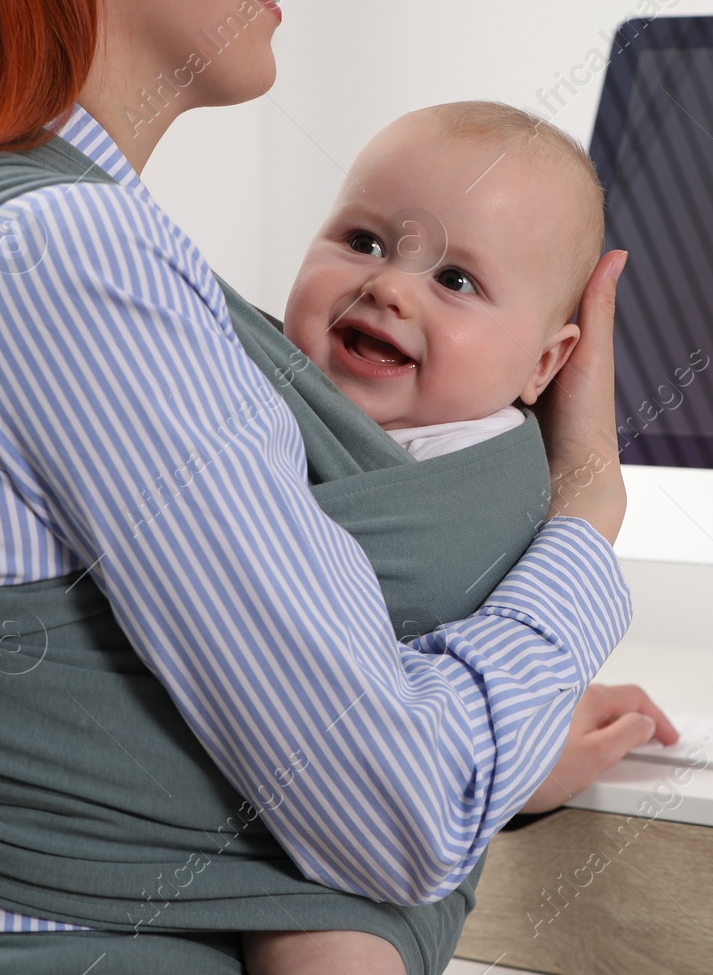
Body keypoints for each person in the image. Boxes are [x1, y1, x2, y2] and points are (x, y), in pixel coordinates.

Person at [0, 0, 674, 972]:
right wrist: (587, 513)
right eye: (361, 239)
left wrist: (482, 725)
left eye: (456, 279)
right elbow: (404, 816)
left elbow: (151, 705)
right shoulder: (68, 259)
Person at [245, 100, 648, 974]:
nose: (389, 286)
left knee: (334, 955)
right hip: (214, 795)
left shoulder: (502, 481)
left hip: (349, 866)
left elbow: (457, 654)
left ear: (546, 365)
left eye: (457, 281)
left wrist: (530, 743)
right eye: (362, 240)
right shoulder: (240, 389)